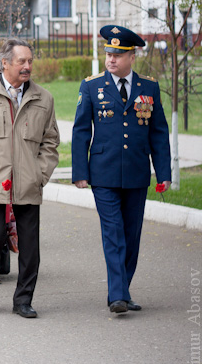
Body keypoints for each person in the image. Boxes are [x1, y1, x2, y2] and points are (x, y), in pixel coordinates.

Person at [72, 25, 171, 314]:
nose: (111, 59)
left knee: (132, 234)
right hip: (103, 172)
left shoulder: (148, 87)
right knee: (113, 232)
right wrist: (80, 171)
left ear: (132, 56)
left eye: (118, 54)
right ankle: (117, 295)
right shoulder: (92, 86)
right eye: (108, 53)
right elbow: (80, 131)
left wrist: (163, 172)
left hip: (137, 172)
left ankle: (123, 290)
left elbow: (159, 132)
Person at [0, 39, 60, 318]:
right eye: (22, 62)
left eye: (30, 61)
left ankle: (23, 299)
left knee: (30, 245)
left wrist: (40, 175)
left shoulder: (44, 98)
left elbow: (50, 143)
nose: (28, 66)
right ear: (4, 63)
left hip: (28, 182)